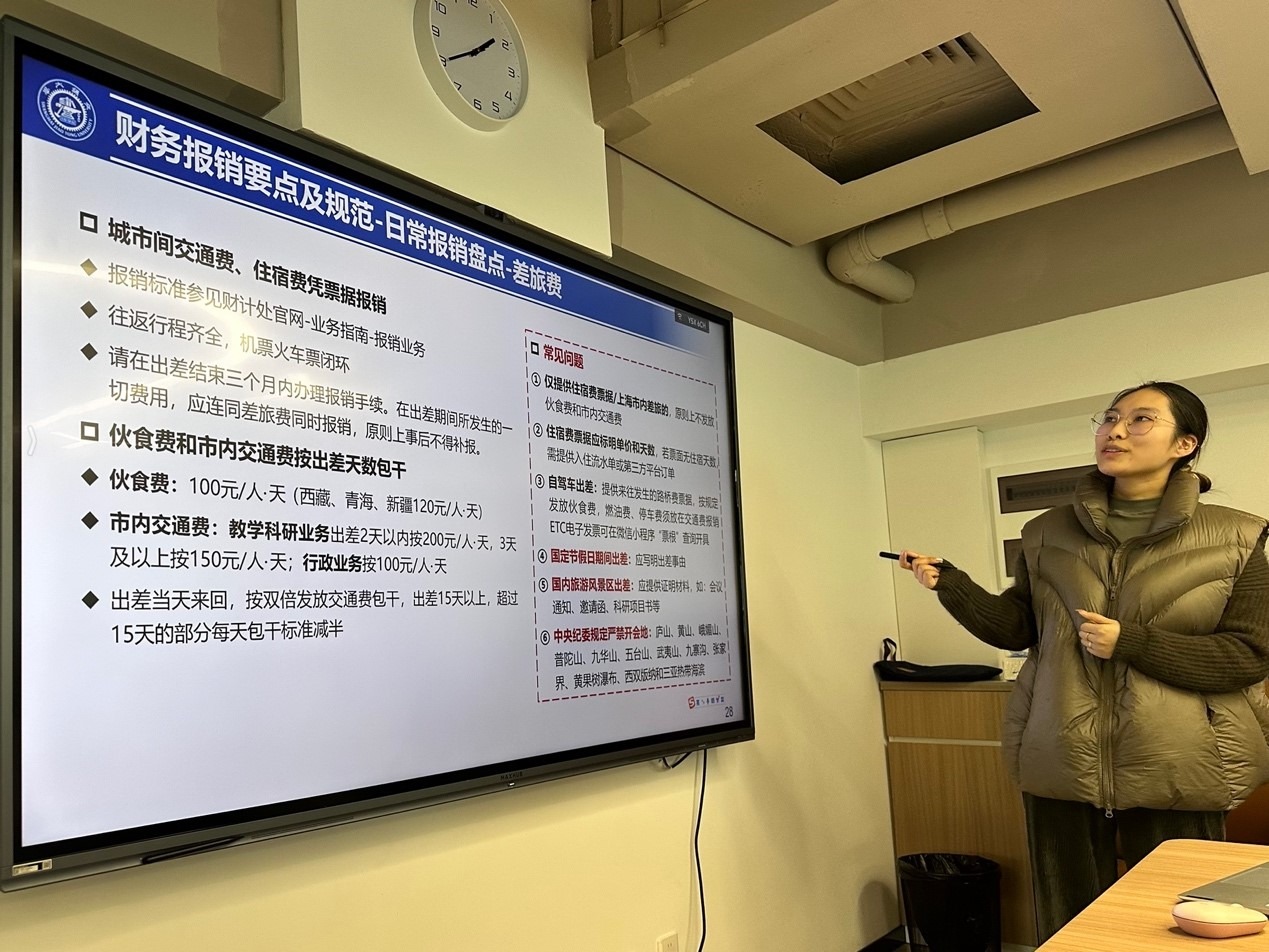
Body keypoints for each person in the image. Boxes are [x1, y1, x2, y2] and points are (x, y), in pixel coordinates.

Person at [898, 381, 1269, 943]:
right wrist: (952, 585)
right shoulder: (1046, 532)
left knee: (1174, 928)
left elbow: (1246, 657)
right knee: (1067, 928)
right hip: (1061, 754)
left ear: (1185, 444)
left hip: (1180, 761)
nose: (1115, 430)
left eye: (1141, 419)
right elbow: (1022, 628)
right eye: (1110, 418)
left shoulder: (1238, 536)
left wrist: (1133, 643)